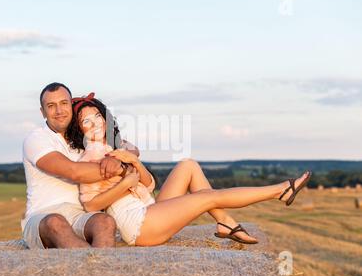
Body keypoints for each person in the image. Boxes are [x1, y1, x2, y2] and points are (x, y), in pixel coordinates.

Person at [66, 93, 312, 246]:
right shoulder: (89, 160)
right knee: (208, 197)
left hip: (149, 209)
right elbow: (90, 206)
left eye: (97, 116)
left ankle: (224, 222)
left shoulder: (117, 149)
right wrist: (124, 185)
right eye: (86, 121)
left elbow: (149, 185)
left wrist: (134, 162)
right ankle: (280, 190)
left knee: (188, 165)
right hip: (139, 226)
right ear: (80, 131)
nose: (95, 123)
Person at [21, 83, 138, 249]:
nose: (59, 111)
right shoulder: (36, 139)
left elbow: (131, 148)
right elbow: (74, 172)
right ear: (43, 112)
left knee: (105, 222)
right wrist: (121, 168)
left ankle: (102, 271)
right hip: (43, 217)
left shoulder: (82, 135)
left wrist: (117, 157)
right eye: (51, 106)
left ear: (71, 105)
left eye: (64, 103)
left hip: (79, 214)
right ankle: (90, 269)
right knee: (56, 222)